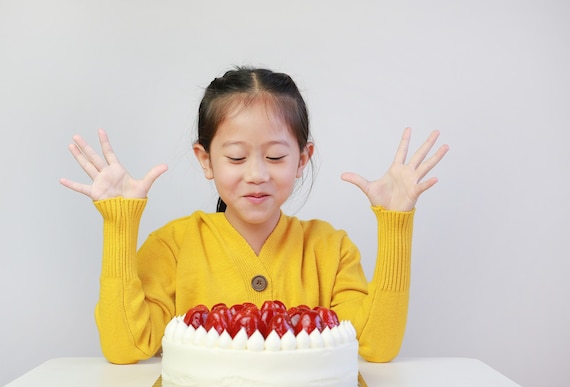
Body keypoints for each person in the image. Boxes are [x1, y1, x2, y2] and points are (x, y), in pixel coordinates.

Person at [60, 67, 449, 365]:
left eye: (276, 156)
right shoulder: (173, 246)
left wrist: (395, 221)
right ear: (205, 160)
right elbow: (124, 347)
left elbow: (377, 346)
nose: (257, 174)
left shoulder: (331, 250)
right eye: (236, 157)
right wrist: (119, 223)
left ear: (302, 159)